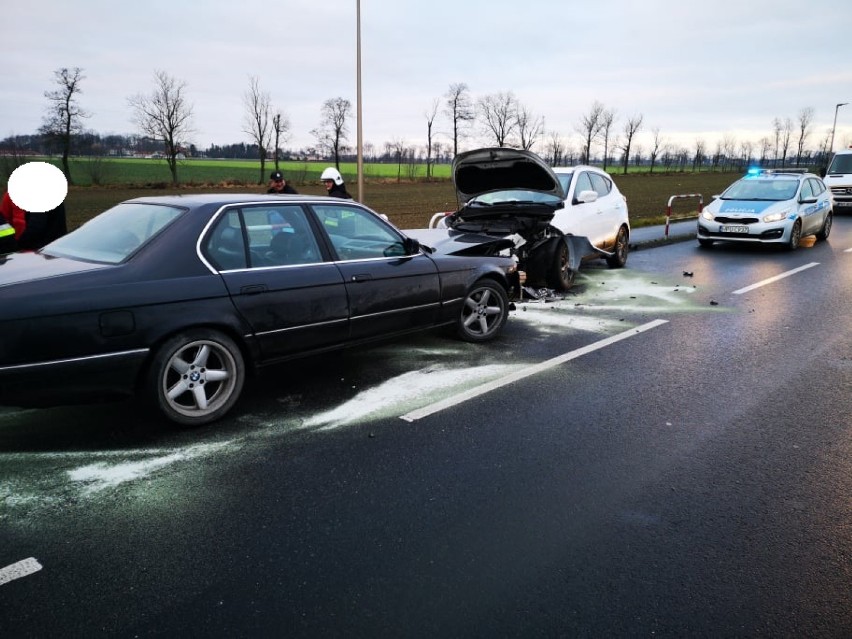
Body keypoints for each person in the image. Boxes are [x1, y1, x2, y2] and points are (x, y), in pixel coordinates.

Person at [0, 191, 67, 251]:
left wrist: (18, 246)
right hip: (50, 251)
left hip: (41, 252)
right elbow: (4, 222)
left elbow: (36, 227)